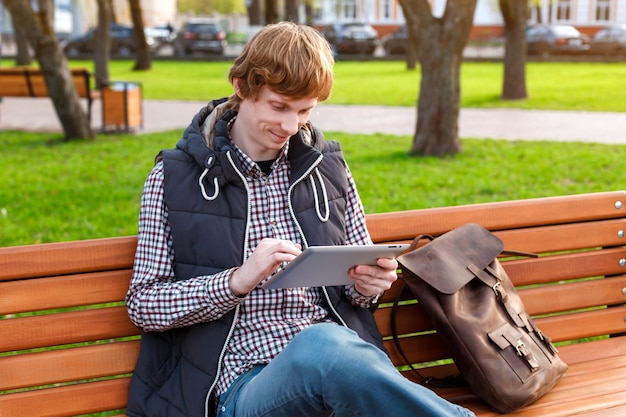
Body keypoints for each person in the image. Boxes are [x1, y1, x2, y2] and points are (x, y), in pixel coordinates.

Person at [125, 21, 475, 417]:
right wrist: (236, 281)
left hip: (340, 377)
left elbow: (358, 291)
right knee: (323, 348)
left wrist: (369, 284)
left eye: (305, 111)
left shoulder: (327, 170)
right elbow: (144, 305)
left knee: (327, 348)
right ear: (242, 88)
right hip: (244, 385)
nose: (291, 127)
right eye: (279, 107)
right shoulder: (175, 178)